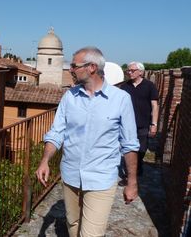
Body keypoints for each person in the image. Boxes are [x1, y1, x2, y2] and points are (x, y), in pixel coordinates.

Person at [35, 46, 140, 237]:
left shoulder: (121, 100)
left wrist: (132, 182)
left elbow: (130, 144)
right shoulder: (69, 97)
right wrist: (45, 161)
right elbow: (56, 133)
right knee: (73, 224)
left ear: (92, 67)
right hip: (71, 174)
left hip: (101, 178)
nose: (70, 69)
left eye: (74, 65)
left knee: (91, 234)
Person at [120, 61, 159, 180]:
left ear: (141, 72)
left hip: (143, 124)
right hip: (127, 125)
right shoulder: (124, 86)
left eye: (132, 70)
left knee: (141, 150)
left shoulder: (149, 86)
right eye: (128, 70)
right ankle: (129, 176)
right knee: (128, 150)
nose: (129, 73)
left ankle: (139, 165)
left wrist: (154, 124)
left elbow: (155, 106)